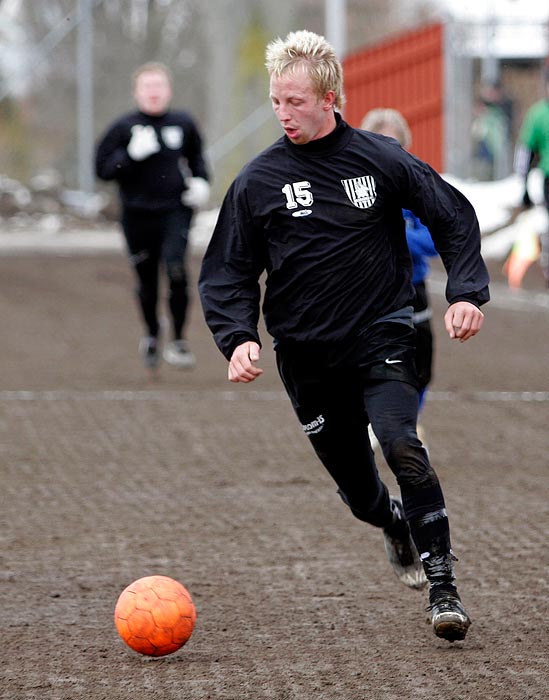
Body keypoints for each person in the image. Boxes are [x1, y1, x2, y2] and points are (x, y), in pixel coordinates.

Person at [199, 30, 489, 643]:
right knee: (360, 493)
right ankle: (392, 524)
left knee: (400, 442)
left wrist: (465, 291)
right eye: (277, 101)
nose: (284, 113)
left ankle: (443, 584)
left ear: (330, 98)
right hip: (306, 356)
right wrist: (237, 337)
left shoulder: (380, 159)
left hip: (380, 333)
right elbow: (227, 269)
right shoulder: (257, 182)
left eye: (295, 101)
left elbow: (451, 214)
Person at [95, 62, 210, 369]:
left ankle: (179, 340)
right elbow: (103, 170)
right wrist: (129, 156)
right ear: (137, 92)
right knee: (147, 281)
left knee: (176, 269)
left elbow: (198, 158)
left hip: (175, 212)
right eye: (147, 86)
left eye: (158, 86)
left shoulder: (183, 123)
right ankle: (151, 332)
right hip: (136, 215)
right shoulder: (124, 127)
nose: (154, 92)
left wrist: (201, 182)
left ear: (168, 90)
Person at [360, 108, 438, 418]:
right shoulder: (354, 188)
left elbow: (434, 241)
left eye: (394, 145)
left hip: (412, 290)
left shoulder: (418, 185)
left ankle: (408, 426)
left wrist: (394, 235)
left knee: (421, 370)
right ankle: (373, 425)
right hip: (367, 293)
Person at [514, 59, 549, 286]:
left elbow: (525, 152)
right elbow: (525, 152)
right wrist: (524, 186)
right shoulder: (538, 114)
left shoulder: (538, 113)